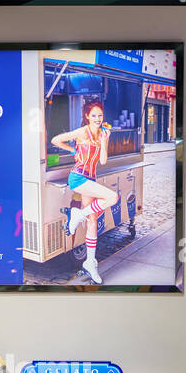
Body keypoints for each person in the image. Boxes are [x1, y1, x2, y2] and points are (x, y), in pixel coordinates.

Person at [50, 100, 118, 285]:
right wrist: (73, 149)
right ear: (87, 116)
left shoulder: (102, 134)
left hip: (91, 179)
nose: (97, 119)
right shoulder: (82, 132)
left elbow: (102, 161)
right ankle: (77, 214)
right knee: (113, 197)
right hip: (78, 178)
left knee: (92, 220)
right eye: (94, 115)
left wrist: (105, 141)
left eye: (100, 115)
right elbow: (55, 140)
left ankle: (90, 262)